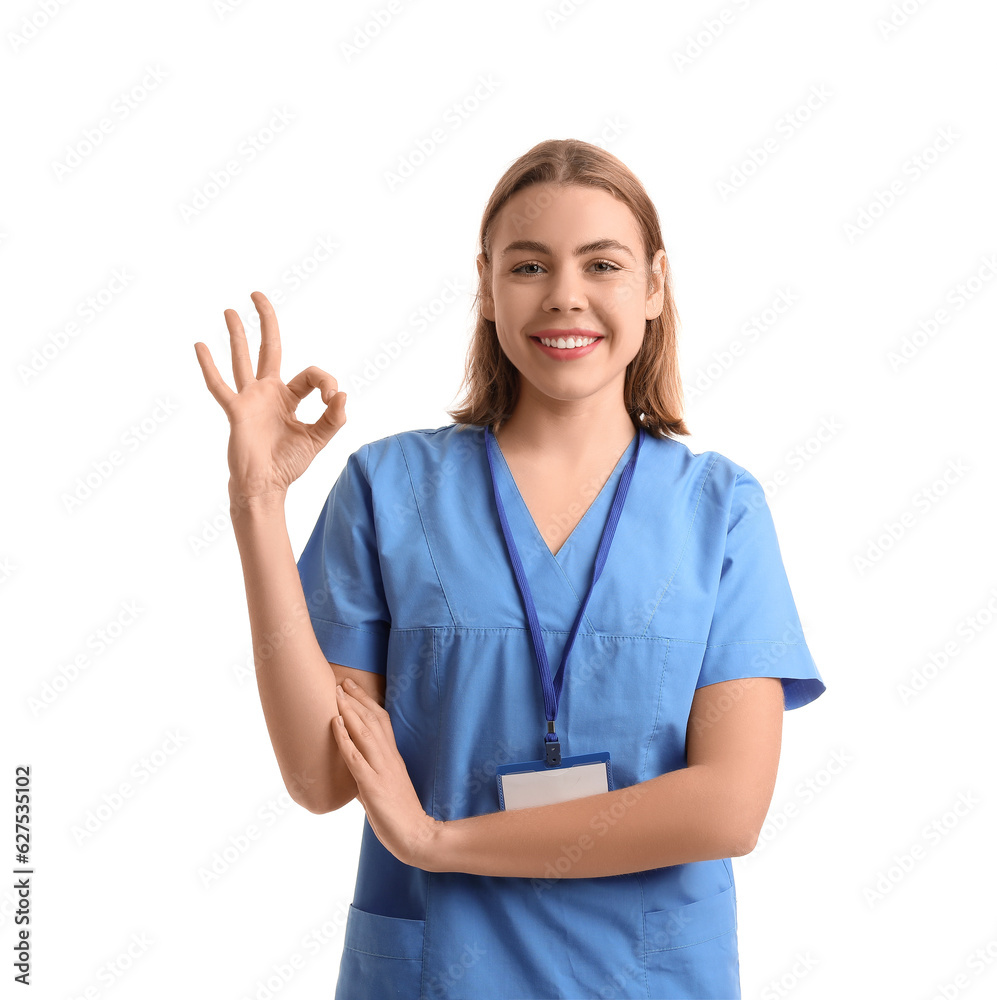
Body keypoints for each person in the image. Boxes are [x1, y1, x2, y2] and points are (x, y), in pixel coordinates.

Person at [194, 138, 826, 1000]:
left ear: (653, 285)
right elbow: (320, 776)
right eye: (528, 266)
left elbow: (728, 808)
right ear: (486, 288)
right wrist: (257, 503)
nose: (564, 294)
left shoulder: (720, 509)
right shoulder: (389, 488)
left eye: (601, 264)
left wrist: (437, 841)